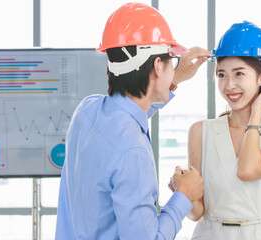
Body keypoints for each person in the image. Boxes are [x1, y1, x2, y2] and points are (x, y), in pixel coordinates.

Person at [55, 3, 213, 239]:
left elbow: (126, 117)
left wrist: (174, 77)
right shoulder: (133, 151)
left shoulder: (87, 110)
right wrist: (183, 196)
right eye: (171, 61)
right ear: (158, 66)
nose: (173, 67)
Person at [170, 21, 261, 239]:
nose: (229, 85)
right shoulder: (200, 131)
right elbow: (197, 213)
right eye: (222, 75)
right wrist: (181, 190)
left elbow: (246, 170)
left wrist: (258, 110)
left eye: (239, 74)